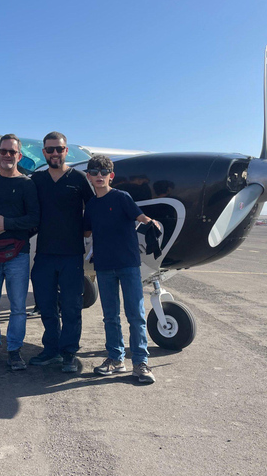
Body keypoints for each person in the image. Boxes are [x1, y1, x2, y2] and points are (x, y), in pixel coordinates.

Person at [83, 154, 159, 384]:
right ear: (88, 176)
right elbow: (86, 231)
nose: (99, 176)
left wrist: (151, 222)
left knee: (135, 315)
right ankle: (116, 359)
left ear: (111, 176)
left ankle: (140, 363)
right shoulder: (91, 205)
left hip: (128, 265)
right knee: (110, 316)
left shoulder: (122, 197)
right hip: (104, 266)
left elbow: (140, 217)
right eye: (94, 172)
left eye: (103, 172)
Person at [28, 131, 94, 373]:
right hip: (44, 253)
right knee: (46, 305)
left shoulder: (79, 178)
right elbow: (16, 190)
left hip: (72, 254)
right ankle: (51, 350)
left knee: (71, 307)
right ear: (44, 152)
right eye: (50, 149)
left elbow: (94, 207)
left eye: (59, 149)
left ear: (66, 151)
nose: (55, 153)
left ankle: (69, 353)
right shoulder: (36, 179)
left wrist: (87, 230)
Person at [0, 134, 39, 370]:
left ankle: (14, 350)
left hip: (18, 254)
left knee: (18, 308)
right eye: (3, 151)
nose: (7, 155)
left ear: (19, 156)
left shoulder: (27, 184)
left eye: (12, 152)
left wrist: (7, 223)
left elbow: (34, 219)